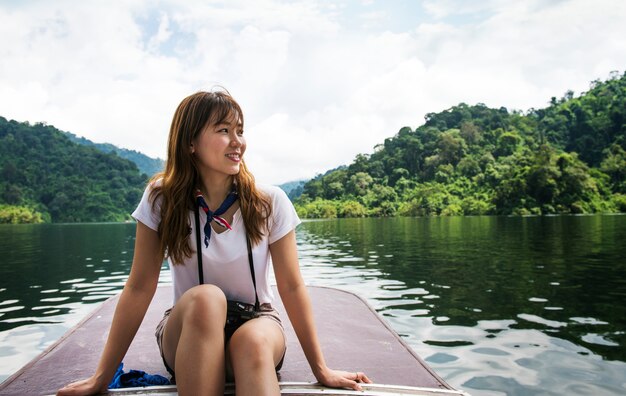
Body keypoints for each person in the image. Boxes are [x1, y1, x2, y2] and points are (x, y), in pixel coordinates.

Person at [57, 90, 371, 395]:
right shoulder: (162, 199)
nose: (238, 142)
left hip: (258, 319)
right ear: (190, 142)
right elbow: (139, 287)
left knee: (252, 342)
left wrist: (321, 369)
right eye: (223, 130)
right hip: (189, 329)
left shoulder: (270, 202)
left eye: (240, 131)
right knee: (207, 299)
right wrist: (101, 377)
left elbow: (291, 287)